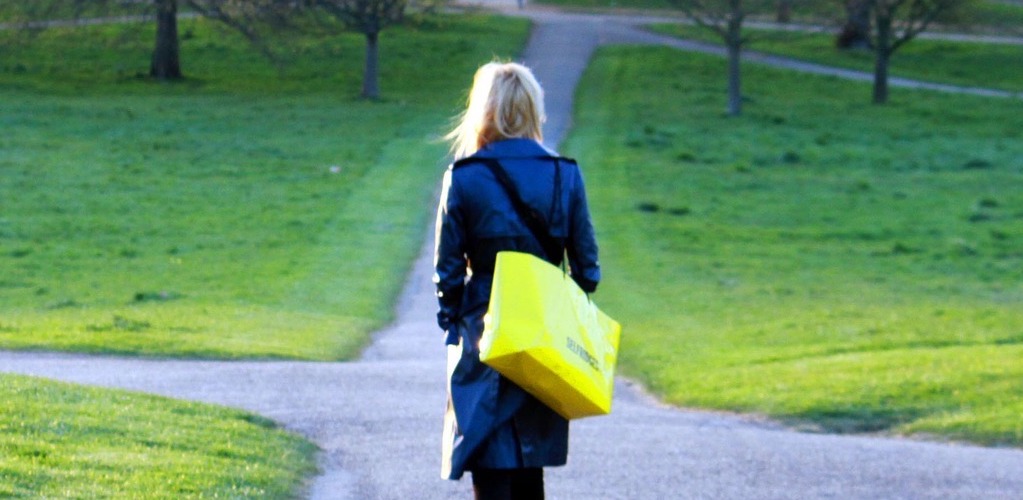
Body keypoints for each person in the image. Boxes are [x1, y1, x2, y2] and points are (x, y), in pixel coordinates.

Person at [433, 61, 601, 499]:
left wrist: (454, 322)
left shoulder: (464, 177)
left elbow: (447, 274)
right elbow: (589, 271)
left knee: (488, 464)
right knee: (531, 468)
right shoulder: (565, 174)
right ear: (533, 110)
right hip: (543, 330)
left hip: (483, 331)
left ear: (483, 111)